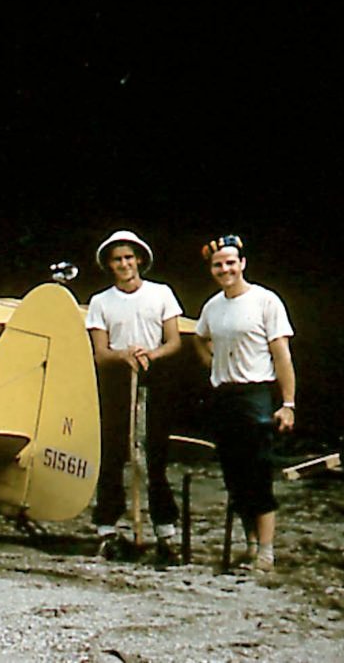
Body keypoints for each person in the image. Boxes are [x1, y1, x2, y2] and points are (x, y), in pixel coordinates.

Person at [195, 234, 295, 573]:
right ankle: (250, 545)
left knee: (257, 473)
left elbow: (282, 355)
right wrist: (214, 364)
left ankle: (266, 550)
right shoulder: (212, 307)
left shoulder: (266, 302)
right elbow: (200, 338)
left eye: (230, 263)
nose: (225, 270)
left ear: (242, 264)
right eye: (217, 265)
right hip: (225, 395)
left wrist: (288, 403)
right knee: (234, 475)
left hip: (257, 394)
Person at [85, 230, 183, 564]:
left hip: (153, 378)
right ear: (109, 265)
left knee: (153, 456)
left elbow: (174, 342)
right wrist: (123, 355)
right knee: (113, 454)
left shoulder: (161, 294)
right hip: (116, 380)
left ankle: (165, 532)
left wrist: (150, 355)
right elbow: (100, 352)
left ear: (139, 259)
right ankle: (107, 529)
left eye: (129, 257)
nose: (124, 264)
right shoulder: (101, 301)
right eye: (117, 259)